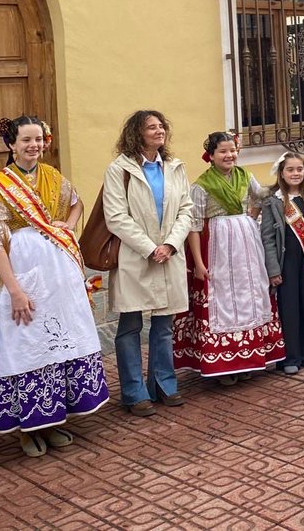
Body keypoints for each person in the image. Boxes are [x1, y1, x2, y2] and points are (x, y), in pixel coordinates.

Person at [0, 116, 109, 457]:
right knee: (26, 345)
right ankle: (27, 427)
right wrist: (15, 290)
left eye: (39, 139)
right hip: (21, 275)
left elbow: (77, 202)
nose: (34, 145)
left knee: (58, 345)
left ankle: (54, 419)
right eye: (26, 140)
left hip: (57, 278)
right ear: (11, 145)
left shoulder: (52, 176)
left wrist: (68, 224)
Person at [104, 110, 195, 417]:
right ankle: (133, 392)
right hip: (135, 256)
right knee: (130, 326)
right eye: (151, 127)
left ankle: (164, 385)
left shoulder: (174, 166)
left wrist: (170, 244)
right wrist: (149, 248)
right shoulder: (120, 169)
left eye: (161, 126)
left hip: (168, 254)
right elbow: (115, 216)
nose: (159, 131)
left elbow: (186, 209)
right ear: (136, 134)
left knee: (164, 324)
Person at [174, 131, 284, 383]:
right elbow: (194, 226)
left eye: (232, 150)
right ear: (211, 156)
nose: (229, 155)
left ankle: (249, 359)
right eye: (223, 151)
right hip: (218, 247)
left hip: (246, 244)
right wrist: (199, 264)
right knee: (222, 300)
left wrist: (282, 179)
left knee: (250, 296)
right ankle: (226, 364)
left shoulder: (245, 176)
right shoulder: (201, 186)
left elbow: (262, 196)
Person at [260, 152, 304, 374]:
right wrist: (273, 269)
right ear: (281, 173)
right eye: (290, 169)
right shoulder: (273, 201)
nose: (296, 173)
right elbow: (267, 237)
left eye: (299, 169)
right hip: (285, 262)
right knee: (288, 308)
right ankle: (290, 356)